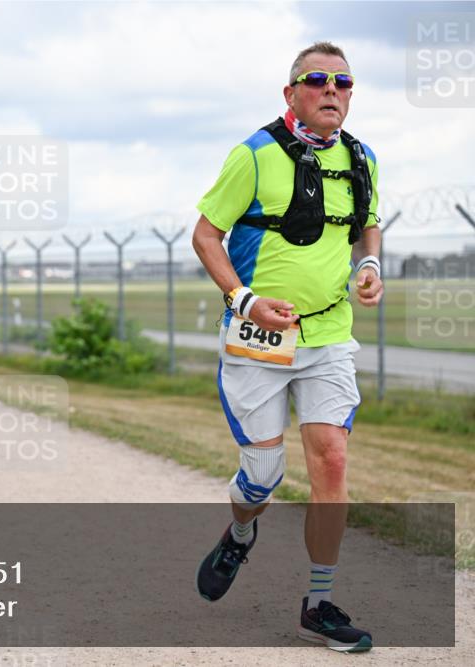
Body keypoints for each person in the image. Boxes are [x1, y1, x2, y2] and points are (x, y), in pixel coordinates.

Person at [191, 42, 381, 653]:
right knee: (263, 478)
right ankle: (240, 534)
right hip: (259, 337)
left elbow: (368, 221)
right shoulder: (253, 154)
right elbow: (205, 234)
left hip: (328, 335)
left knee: (331, 461)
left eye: (343, 82)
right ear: (291, 91)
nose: (333, 90)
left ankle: (319, 603)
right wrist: (244, 300)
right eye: (318, 80)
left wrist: (370, 263)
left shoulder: (362, 157)